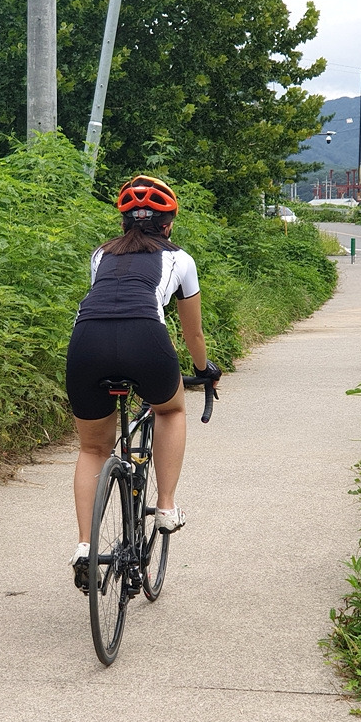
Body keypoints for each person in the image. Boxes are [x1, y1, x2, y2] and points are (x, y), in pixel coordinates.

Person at [65, 175, 221, 589]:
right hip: (145, 338)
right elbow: (193, 333)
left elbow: (106, 302)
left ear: (124, 223)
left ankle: (85, 546)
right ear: (168, 225)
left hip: (86, 342)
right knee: (170, 410)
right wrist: (204, 370)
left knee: (92, 448)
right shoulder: (181, 260)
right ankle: (166, 507)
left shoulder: (100, 255)